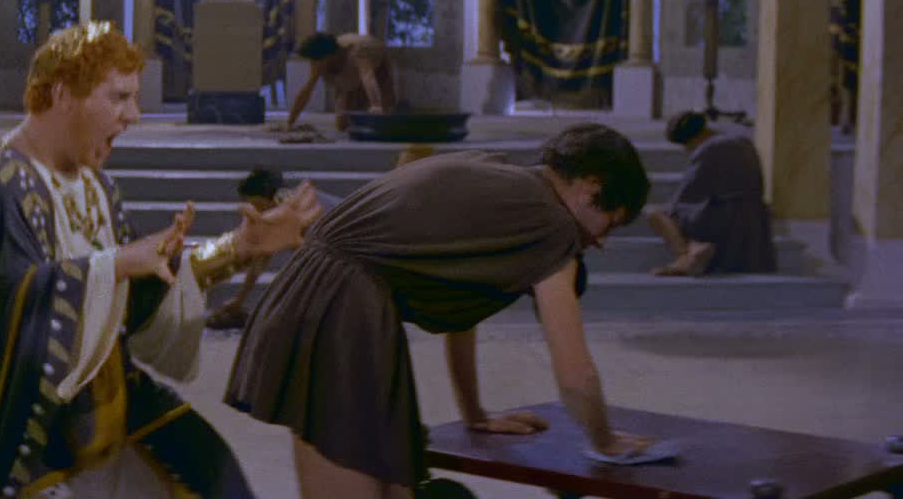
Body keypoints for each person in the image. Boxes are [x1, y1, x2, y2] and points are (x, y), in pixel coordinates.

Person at [0, 21, 323, 498]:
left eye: (134, 99)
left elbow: (141, 292)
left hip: (113, 399)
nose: (134, 115)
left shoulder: (97, 185)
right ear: (62, 94)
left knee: (215, 478)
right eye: (119, 97)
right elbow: (12, 308)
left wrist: (241, 246)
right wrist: (114, 265)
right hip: (31, 432)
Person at [225, 123, 654, 497]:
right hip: (340, 309)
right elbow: (575, 374)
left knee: (394, 485)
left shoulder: (502, 176)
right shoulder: (555, 227)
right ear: (590, 188)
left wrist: (475, 414)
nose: (600, 241)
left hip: (335, 299)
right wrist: (605, 442)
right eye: (610, 223)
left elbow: (462, 313)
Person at [204, 150, 435, 331]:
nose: (254, 210)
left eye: (255, 204)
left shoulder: (293, 207)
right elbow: (260, 261)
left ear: (269, 197)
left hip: (359, 239)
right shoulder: (278, 213)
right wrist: (239, 300)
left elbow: (309, 260)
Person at [646, 111, 775, 276]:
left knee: (657, 214)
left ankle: (687, 256)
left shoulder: (706, 150)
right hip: (755, 220)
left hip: (726, 220)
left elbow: (686, 196)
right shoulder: (744, 142)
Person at [279, 32, 398, 131]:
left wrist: (376, 105)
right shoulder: (319, 62)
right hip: (347, 77)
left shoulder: (357, 52)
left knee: (383, 118)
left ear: (329, 55)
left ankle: (380, 112)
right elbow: (307, 90)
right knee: (342, 124)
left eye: (316, 61)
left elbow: (368, 76)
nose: (314, 65)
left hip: (376, 64)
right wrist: (290, 122)